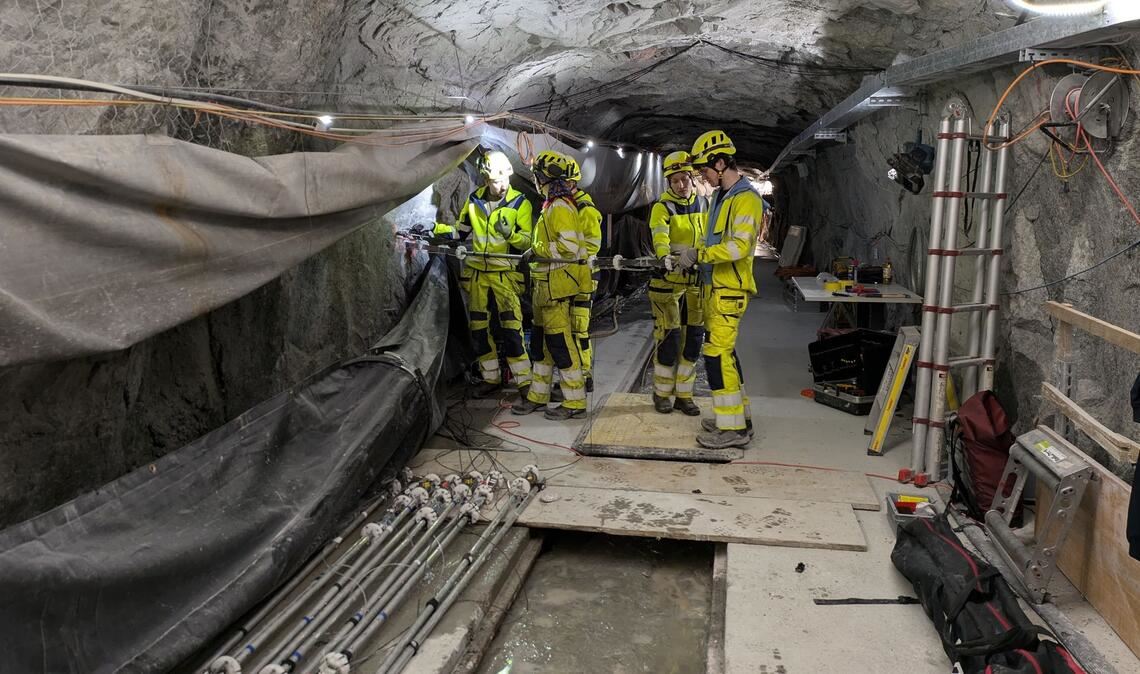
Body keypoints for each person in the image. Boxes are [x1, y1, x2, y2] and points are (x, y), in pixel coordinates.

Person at [677, 130, 763, 449]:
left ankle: (733, 431)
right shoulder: (720, 197)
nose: (702, 176)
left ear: (722, 162)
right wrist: (691, 253)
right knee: (726, 355)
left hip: (730, 290)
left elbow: (739, 247)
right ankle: (739, 418)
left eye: (704, 170)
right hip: (715, 288)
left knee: (715, 355)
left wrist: (699, 255)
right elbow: (711, 240)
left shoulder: (747, 199)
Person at [435, 150, 534, 398]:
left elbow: (526, 243)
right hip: (478, 273)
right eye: (497, 181)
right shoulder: (474, 201)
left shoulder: (520, 203)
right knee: (479, 329)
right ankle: (491, 378)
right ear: (485, 179)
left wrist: (510, 234)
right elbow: (461, 233)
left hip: (504, 275)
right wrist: (437, 229)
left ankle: (525, 382)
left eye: (505, 180)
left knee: (512, 328)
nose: (502, 185)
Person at [512, 150, 590, 420]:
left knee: (560, 344)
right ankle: (537, 395)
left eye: (536, 176)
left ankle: (575, 402)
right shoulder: (550, 205)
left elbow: (569, 247)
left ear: (544, 178)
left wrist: (537, 249)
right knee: (542, 346)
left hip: (556, 288)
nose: (535, 180)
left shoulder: (559, 207)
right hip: (544, 286)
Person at [648, 151, 707, 416]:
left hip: (695, 282)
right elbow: (659, 236)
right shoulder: (662, 208)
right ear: (669, 184)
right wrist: (665, 257)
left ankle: (684, 395)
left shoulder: (704, 205)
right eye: (675, 181)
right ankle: (661, 394)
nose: (681, 185)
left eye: (685, 179)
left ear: (693, 179)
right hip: (669, 282)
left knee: (693, 339)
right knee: (669, 338)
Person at [571, 188, 603, 393]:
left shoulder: (585, 209)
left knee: (579, 328)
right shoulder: (567, 205)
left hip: (584, 277)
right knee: (572, 329)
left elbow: (592, 245)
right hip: (570, 276)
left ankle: (584, 376)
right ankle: (578, 373)